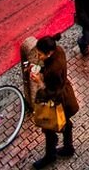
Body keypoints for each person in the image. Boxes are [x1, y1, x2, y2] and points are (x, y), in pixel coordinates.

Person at [32, 33, 79, 167]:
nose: (38, 57)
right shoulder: (59, 51)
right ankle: (68, 148)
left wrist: (39, 82)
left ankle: (50, 156)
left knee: (49, 128)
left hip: (60, 100)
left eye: (40, 55)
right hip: (66, 94)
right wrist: (41, 69)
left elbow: (51, 92)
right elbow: (48, 68)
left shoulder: (53, 71)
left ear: (50, 53)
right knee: (66, 123)